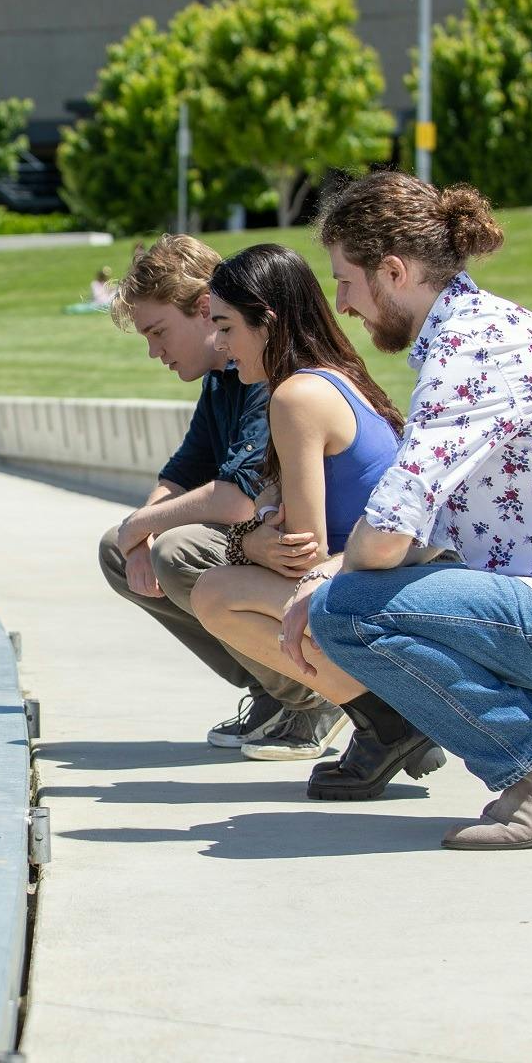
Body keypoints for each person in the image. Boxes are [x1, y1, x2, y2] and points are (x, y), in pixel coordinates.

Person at [276, 170, 532, 850]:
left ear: (393, 271)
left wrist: (321, 583)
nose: (341, 304)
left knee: (345, 613)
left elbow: (390, 531)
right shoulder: (478, 333)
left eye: (344, 280)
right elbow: (415, 526)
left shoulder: (472, 351)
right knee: (349, 594)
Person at [186, 244, 425, 776]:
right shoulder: (334, 374)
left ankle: (388, 720)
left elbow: (304, 552)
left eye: (226, 327)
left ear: (267, 323)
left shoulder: (296, 396)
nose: (220, 346)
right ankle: (386, 717)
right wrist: (257, 528)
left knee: (216, 592)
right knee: (223, 580)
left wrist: (244, 540)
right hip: (394, 575)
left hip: (377, 590)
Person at [99, 235, 344, 751]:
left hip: (328, 566)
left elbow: (237, 499)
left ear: (205, 309)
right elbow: (183, 473)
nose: (153, 351)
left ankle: (311, 695)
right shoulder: (221, 380)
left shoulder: (268, 376)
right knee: (119, 551)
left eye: (158, 331)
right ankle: (271, 687)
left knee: (175, 549)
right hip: (276, 553)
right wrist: (133, 536)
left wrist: (143, 527)